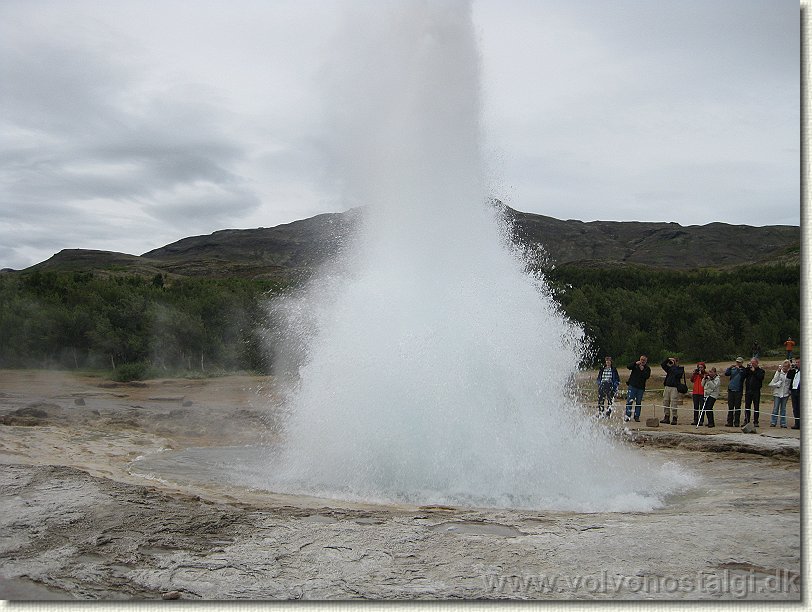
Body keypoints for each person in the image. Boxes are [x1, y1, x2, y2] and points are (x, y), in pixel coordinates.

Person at [624, 355, 651, 422]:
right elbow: (628, 366)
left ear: (646, 361)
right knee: (629, 401)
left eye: (644, 360)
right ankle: (628, 415)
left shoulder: (647, 368)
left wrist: (642, 370)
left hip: (640, 388)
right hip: (632, 386)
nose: (642, 361)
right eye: (641, 360)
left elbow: (647, 376)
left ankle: (637, 416)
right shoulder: (635, 365)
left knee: (638, 402)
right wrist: (635, 363)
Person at [660, 356, 685, 425]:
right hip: (667, 387)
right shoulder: (670, 368)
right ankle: (666, 416)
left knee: (674, 403)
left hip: (674, 388)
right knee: (665, 402)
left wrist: (674, 366)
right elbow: (662, 365)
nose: (674, 362)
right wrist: (668, 359)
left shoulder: (680, 369)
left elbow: (678, 374)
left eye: (675, 361)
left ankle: (674, 417)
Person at [724, 357, 747, 427]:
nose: (738, 363)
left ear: (742, 363)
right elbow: (726, 373)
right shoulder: (732, 368)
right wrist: (729, 368)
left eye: (739, 362)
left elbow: (744, 375)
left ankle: (736, 422)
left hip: (738, 391)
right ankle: (729, 421)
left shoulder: (743, 369)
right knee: (730, 407)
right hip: (731, 390)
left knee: (737, 407)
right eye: (737, 362)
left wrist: (738, 369)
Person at [743, 357, 765, 427]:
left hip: (756, 391)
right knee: (747, 406)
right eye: (751, 363)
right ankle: (746, 420)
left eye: (753, 363)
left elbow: (760, 377)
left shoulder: (761, 371)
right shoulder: (748, 370)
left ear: (757, 363)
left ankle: (756, 421)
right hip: (748, 390)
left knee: (756, 407)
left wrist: (754, 371)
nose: (752, 364)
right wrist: (747, 368)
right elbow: (743, 375)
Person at [769, 360, 792, 428]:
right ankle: (773, 422)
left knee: (783, 409)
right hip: (777, 393)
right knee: (775, 408)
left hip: (785, 393)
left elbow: (790, 382)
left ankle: (783, 423)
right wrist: (778, 372)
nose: (784, 368)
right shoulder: (779, 372)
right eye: (784, 366)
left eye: (786, 367)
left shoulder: (790, 373)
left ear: (788, 367)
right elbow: (774, 380)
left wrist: (789, 391)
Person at [788, 357, 800, 429]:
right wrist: (791, 369)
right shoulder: (795, 371)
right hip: (794, 390)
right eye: (796, 362)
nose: (797, 364)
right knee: (795, 408)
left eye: (798, 362)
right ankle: (797, 423)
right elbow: (788, 376)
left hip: (800, 391)